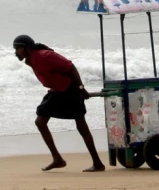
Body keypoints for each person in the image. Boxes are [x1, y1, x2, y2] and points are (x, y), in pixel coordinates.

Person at [13, 34, 105, 172]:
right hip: (57, 91)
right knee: (44, 122)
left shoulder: (45, 55)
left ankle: (95, 163)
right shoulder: (30, 59)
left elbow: (70, 67)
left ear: (26, 48)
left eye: (17, 48)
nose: (15, 52)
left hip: (69, 89)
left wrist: (81, 88)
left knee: (79, 125)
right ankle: (59, 159)